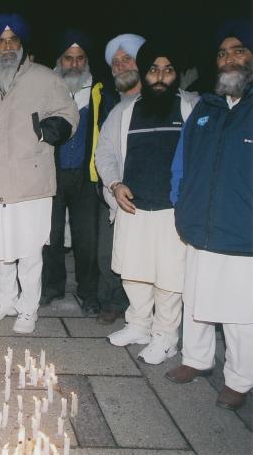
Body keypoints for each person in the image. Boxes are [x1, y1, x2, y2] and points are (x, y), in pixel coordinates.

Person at [95, 41, 199, 364]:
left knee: (169, 278)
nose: (160, 77)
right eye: (154, 69)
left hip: (172, 210)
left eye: (168, 71)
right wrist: (114, 184)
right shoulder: (124, 110)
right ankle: (138, 324)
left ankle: (165, 337)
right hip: (133, 206)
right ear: (144, 72)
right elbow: (105, 154)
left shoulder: (192, 108)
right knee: (133, 272)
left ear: (176, 75)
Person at [166, 21, 253, 410]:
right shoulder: (207, 105)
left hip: (241, 226)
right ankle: (196, 360)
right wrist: (180, 200)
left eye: (237, 50)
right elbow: (183, 160)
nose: (228, 58)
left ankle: (239, 378)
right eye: (222, 53)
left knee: (239, 310)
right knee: (196, 297)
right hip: (200, 220)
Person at [0, 13, 79, 333]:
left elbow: (68, 114)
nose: (7, 47)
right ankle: (5, 299)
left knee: (30, 249)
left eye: (13, 40)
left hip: (31, 176)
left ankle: (28, 306)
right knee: (2, 249)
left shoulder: (45, 77)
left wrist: (43, 133)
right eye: (1, 41)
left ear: (22, 45)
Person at [41, 30, 101, 314]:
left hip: (86, 176)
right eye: (68, 58)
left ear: (86, 61)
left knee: (86, 238)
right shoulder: (47, 90)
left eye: (80, 59)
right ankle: (52, 286)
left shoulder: (99, 91)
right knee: (51, 235)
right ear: (59, 61)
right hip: (53, 173)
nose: (74, 65)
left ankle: (88, 291)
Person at [94, 33, 145, 324]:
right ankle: (113, 303)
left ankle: (144, 317)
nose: (121, 66)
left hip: (156, 198)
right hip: (119, 195)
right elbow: (104, 155)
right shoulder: (116, 109)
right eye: (116, 62)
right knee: (110, 255)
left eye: (128, 59)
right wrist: (114, 185)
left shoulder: (163, 102)